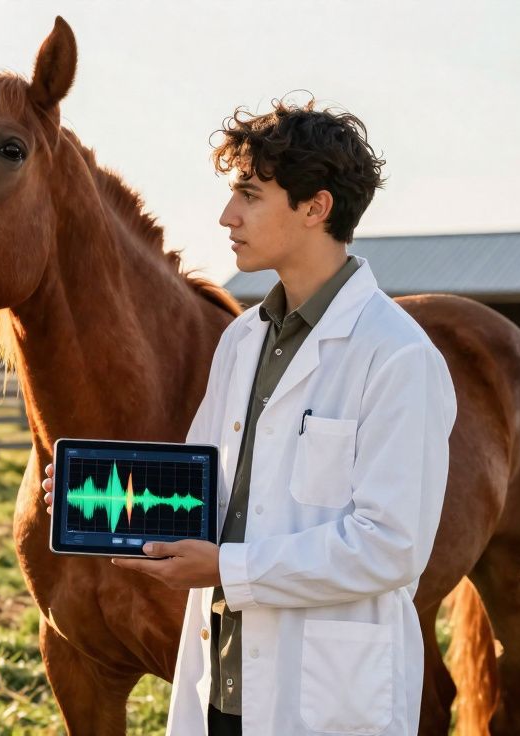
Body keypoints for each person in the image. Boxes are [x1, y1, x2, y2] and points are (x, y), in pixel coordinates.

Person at [42, 98, 457, 735]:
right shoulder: (241, 341)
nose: (226, 215)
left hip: (325, 701)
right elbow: (208, 492)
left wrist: (226, 569)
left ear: (315, 207)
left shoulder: (398, 355)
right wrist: (98, 498)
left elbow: (391, 547)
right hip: (224, 685)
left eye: (250, 195)